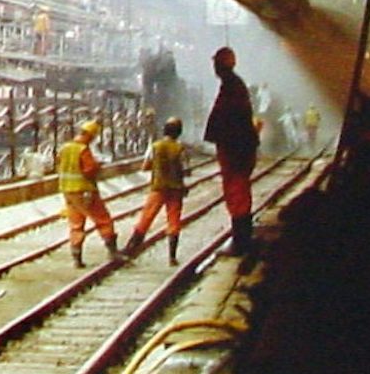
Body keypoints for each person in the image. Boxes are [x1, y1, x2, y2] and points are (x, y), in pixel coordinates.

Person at [203, 46, 259, 253]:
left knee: (236, 190)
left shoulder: (232, 86)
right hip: (237, 146)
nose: (214, 67)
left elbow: (230, 119)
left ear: (222, 64)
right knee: (237, 189)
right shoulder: (233, 84)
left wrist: (225, 143)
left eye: (216, 63)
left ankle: (241, 240)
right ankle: (242, 237)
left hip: (235, 148)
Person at [56, 118, 119, 268]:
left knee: (76, 224)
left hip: (68, 192)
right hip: (85, 191)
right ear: (90, 135)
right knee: (103, 220)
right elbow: (89, 170)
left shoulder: (64, 148)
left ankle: (76, 259)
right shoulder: (83, 149)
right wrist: (98, 165)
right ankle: (113, 252)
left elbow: (59, 164)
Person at [125, 117, 188, 264]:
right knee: (174, 220)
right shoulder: (180, 148)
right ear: (179, 132)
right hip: (175, 189)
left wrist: (158, 167)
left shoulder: (155, 146)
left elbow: (145, 166)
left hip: (158, 188)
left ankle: (130, 250)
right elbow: (186, 170)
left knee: (146, 217)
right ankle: (172, 257)